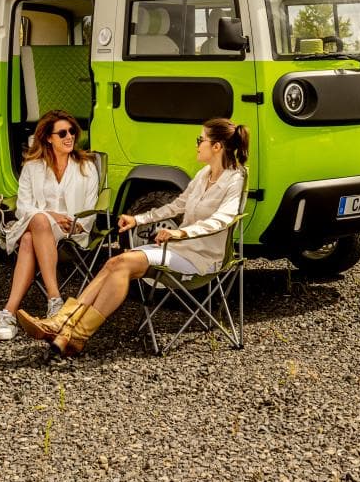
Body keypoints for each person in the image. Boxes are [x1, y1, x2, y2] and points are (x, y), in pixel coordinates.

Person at [16, 117, 249, 356]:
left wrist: (181, 232)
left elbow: (224, 218)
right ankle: (67, 328)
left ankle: (69, 329)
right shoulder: (203, 175)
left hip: (202, 258)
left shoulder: (235, 178)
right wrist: (137, 219)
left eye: (201, 140)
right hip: (180, 250)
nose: (197, 144)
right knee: (115, 262)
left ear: (217, 147)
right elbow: (176, 206)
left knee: (123, 263)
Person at [0, 110, 99, 342]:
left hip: (72, 230)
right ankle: (54, 300)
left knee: (30, 236)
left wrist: (77, 224)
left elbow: (91, 205)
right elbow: (23, 207)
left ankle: (8, 313)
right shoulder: (33, 167)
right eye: (62, 133)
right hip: (38, 225)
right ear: (48, 138)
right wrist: (50, 214)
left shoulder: (86, 167)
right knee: (37, 226)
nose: (69, 136)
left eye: (72, 131)